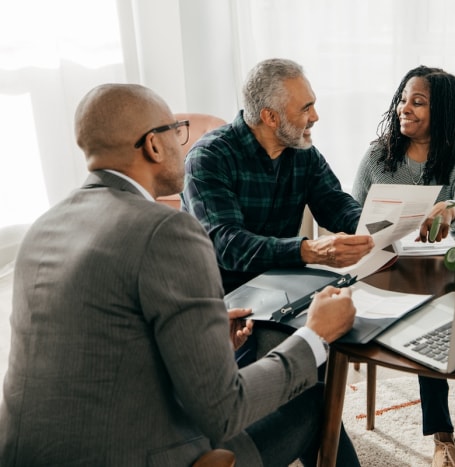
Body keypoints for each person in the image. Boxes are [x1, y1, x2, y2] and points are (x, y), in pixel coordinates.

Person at [0, 83, 361, 467]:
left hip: (22, 453)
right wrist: (314, 336)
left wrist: (201, 336)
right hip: (134, 455)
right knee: (316, 401)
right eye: (176, 129)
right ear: (153, 145)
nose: (181, 141)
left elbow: (104, 343)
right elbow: (224, 411)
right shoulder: (165, 231)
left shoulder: (43, 226)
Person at [352, 66, 455, 467]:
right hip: (394, 269)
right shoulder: (379, 155)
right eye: (402, 99)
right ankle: (442, 436)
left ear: (443, 111)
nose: (404, 109)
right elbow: (350, 208)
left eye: (418, 102)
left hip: (453, 268)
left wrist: (451, 207)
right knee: (424, 324)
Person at [181, 58, 374, 294]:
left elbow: (335, 204)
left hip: (277, 286)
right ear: (270, 117)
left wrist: (378, 226)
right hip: (219, 295)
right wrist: (309, 250)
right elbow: (228, 245)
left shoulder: (304, 153)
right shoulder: (209, 157)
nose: (315, 116)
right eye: (306, 108)